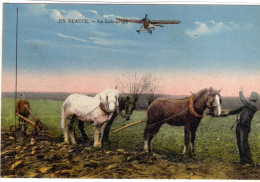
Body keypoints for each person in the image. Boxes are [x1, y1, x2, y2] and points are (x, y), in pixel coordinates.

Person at [222, 90, 259, 164]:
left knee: (244, 144)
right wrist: (228, 113)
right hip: (239, 125)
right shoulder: (247, 105)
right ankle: (242, 160)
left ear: (254, 98)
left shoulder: (253, 105)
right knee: (239, 143)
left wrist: (240, 91)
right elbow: (237, 110)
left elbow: (242, 99)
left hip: (244, 127)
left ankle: (248, 162)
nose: (249, 96)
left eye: (250, 96)